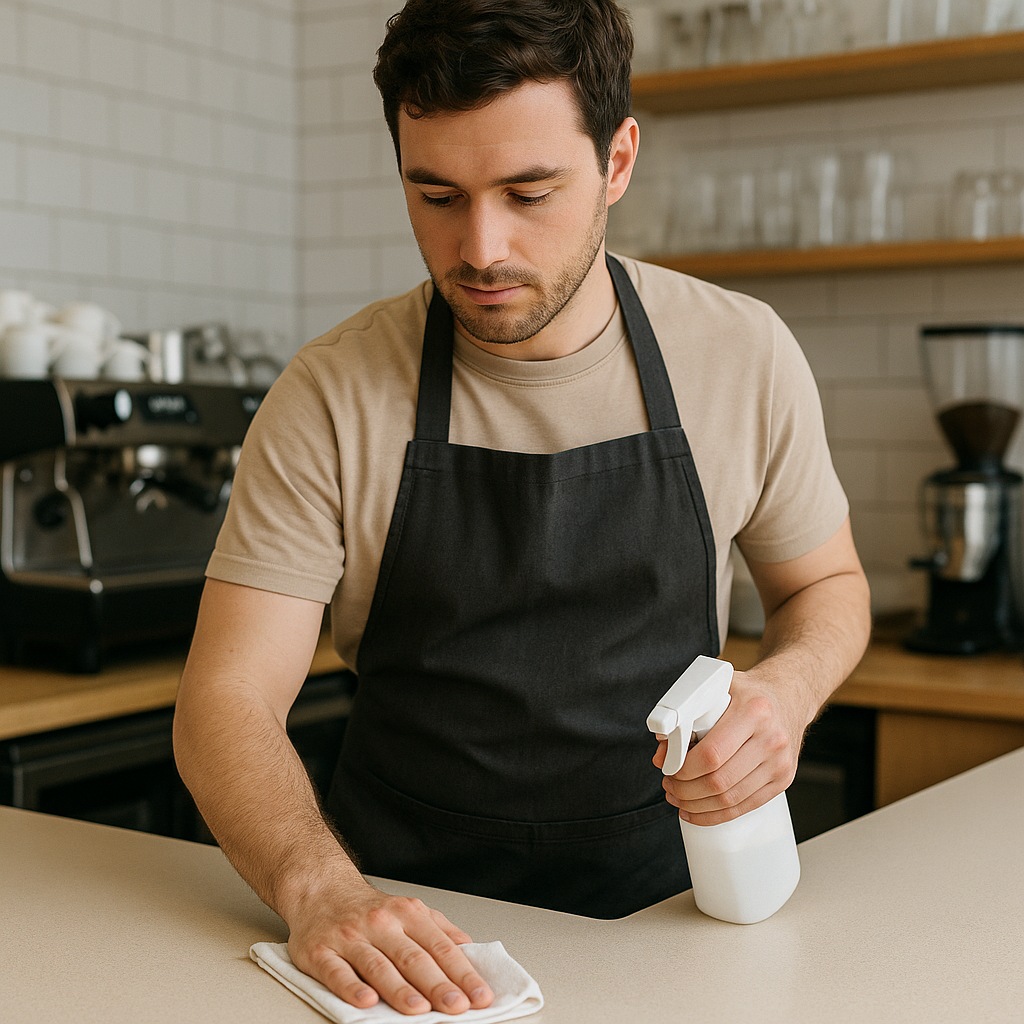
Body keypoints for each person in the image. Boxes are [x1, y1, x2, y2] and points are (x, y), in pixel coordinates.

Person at [173, 0, 871, 1016]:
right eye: (436, 194)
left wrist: (788, 690)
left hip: (672, 917)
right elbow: (224, 701)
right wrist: (318, 887)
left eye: (528, 191)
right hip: (408, 937)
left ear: (617, 160)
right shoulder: (329, 393)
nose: (480, 247)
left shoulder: (740, 353)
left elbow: (827, 585)